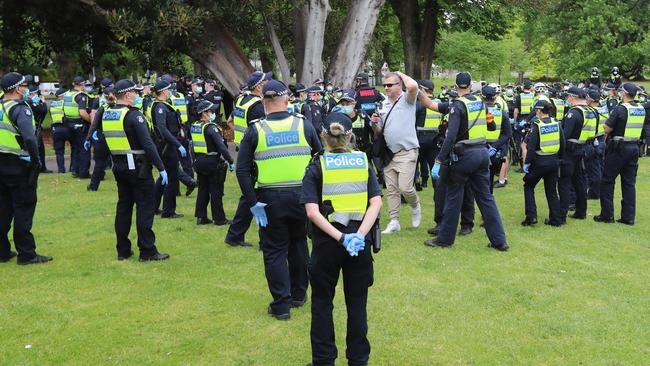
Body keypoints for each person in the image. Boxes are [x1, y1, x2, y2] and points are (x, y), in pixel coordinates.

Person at [236, 79, 322, 320]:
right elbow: (319, 159)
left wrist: (252, 202)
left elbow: (242, 170)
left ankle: (282, 305)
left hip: (270, 198)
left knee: (274, 251)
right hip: (302, 197)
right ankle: (298, 294)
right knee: (299, 246)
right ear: (287, 100)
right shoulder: (304, 126)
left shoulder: (256, 130)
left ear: (264, 102)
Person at [301, 112, 382, 366]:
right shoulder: (362, 161)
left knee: (322, 303)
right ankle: (358, 360)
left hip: (328, 243)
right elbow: (376, 202)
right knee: (357, 304)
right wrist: (358, 235)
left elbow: (312, 212)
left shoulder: (317, 164)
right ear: (350, 135)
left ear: (323, 135)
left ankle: (324, 360)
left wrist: (340, 237)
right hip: (360, 243)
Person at [419, 72, 508, 251]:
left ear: (455, 85)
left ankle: (444, 239)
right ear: (470, 86)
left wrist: (438, 159)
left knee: (453, 198)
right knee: (486, 199)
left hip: (463, 156)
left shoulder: (458, 106)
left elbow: (450, 137)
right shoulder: (481, 102)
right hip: (482, 153)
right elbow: (490, 126)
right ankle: (499, 241)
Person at [101, 79, 170, 261]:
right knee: (145, 208)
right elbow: (148, 144)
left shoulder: (108, 113)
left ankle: (123, 250)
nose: (138, 95)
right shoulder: (133, 116)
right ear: (128, 94)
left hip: (118, 165)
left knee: (123, 208)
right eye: (136, 92)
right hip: (137, 167)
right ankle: (147, 251)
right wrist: (161, 168)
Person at [0, 72, 53, 265]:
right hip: (19, 164)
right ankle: (27, 254)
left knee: (3, 208)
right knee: (24, 207)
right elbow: (30, 138)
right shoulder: (21, 109)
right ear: (16, 88)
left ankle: (3, 251)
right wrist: (36, 160)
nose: (25, 88)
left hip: (1, 163)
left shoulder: (1, 105)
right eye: (23, 85)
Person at [371, 71, 421, 234]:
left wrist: (400, 73)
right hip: (389, 153)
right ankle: (394, 221)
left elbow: (413, 85)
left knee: (405, 188)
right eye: (384, 85)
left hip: (407, 151)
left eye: (390, 85)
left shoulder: (407, 99)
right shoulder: (383, 105)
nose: (386, 88)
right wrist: (374, 124)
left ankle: (415, 205)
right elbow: (380, 131)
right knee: (391, 189)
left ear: (399, 85)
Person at [224, 71, 269, 248]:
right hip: (254, 152)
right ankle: (259, 238)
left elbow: (230, 121)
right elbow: (263, 130)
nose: (268, 84)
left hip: (243, 148)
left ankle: (235, 235)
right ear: (258, 86)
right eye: (265, 82)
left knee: (249, 195)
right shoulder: (257, 105)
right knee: (256, 194)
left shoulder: (240, 100)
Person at [594, 83, 645, 225]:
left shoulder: (620, 109)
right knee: (629, 183)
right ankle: (628, 217)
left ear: (624, 93)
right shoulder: (640, 108)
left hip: (619, 147)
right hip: (634, 147)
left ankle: (607, 215)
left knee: (607, 180)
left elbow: (608, 128)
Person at [521, 100, 565, 227]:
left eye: (536, 110)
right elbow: (563, 143)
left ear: (540, 111)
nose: (536, 113)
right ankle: (556, 219)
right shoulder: (556, 123)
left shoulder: (537, 125)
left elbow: (531, 147)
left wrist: (527, 163)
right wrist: (560, 159)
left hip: (539, 162)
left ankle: (531, 217)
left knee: (528, 186)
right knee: (551, 190)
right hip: (554, 162)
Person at [191, 100, 234, 226]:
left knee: (203, 190)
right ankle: (219, 219)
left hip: (199, 161)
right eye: (211, 111)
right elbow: (221, 146)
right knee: (216, 190)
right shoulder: (211, 128)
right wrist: (230, 161)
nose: (213, 113)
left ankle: (201, 216)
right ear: (204, 113)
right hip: (212, 162)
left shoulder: (196, 126)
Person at [558, 86, 596, 222]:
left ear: (572, 97)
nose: (567, 99)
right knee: (579, 181)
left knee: (565, 182)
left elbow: (564, 135)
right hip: (585, 148)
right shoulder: (591, 111)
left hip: (570, 151)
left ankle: (560, 216)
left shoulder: (573, 113)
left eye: (568, 96)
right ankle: (581, 212)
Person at [151, 80, 185, 219]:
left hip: (168, 144)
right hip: (167, 146)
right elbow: (162, 129)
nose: (170, 91)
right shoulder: (160, 107)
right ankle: (168, 211)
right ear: (164, 91)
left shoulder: (163, 105)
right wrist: (178, 144)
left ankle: (153, 206)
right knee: (172, 178)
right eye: (169, 89)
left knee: (163, 178)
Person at [85, 86, 115, 191]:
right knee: (120, 163)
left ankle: (93, 187)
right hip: (119, 139)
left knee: (99, 164)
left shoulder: (103, 108)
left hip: (103, 137)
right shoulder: (121, 108)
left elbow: (94, 124)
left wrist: (88, 138)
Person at [415, 80, 442, 191]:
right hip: (435, 139)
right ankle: (438, 190)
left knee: (414, 164)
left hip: (419, 138)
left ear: (422, 89)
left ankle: (416, 181)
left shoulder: (419, 104)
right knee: (434, 166)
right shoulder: (439, 103)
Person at [483, 85, 512, 191]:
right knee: (489, 181)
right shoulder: (501, 112)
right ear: (495, 97)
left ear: (482, 97)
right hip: (494, 150)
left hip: (478, 147)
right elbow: (508, 133)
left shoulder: (476, 111)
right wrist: (494, 147)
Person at [63, 76, 92, 178]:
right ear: (82, 84)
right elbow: (83, 113)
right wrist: (91, 121)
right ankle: (83, 173)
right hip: (80, 125)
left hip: (69, 124)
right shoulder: (81, 96)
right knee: (84, 148)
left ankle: (75, 170)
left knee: (75, 148)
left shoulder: (67, 94)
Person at [26, 86, 52, 173]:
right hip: (34, 128)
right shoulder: (30, 102)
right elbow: (43, 110)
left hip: (32, 127)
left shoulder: (26, 101)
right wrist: (43, 102)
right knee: (38, 149)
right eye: (36, 93)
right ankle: (40, 167)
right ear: (32, 94)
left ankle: (39, 167)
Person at [50, 88, 73, 173]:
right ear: (63, 95)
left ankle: (61, 169)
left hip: (56, 129)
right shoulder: (66, 103)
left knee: (59, 151)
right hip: (67, 127)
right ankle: (73, 168)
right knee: (74, 148)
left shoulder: (52, 104)